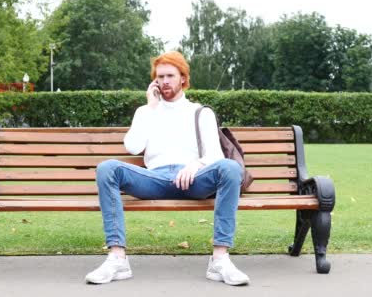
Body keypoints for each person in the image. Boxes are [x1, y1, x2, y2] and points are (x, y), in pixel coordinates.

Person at [85, 51, 249, 286]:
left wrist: (196, 164)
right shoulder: (146, 112)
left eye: (170, 75)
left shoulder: (201, 112)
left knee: (230, 168)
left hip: (194, 180)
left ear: (183, 78)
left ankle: (220, 259)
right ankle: (117, 258)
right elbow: (132, 147)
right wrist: (150, 108)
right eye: (159, 77)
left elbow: (214, 153)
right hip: (155, 179)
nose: (164, 81)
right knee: (107, 168)